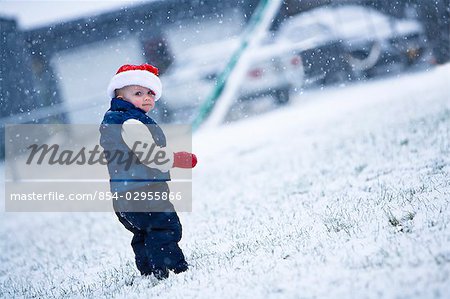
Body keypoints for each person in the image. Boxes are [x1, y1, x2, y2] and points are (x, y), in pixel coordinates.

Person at [99, 63, 197, 280]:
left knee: (143, 231)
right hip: (144, 189)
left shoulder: (112, 119)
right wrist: (178, 159)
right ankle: (171, 268)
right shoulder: (132, 122)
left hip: (123, 194)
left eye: (151, 93)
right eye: (138, 93)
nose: (147, 98)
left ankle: (150, 270)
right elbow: (151, 156)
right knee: (164, 226)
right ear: (120, 96)